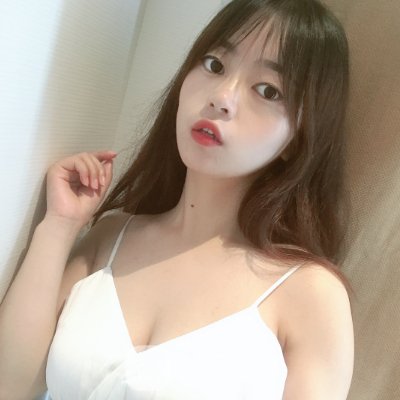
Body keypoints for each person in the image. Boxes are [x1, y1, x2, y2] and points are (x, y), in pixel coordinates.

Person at [0, 0, 354, 398]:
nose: (222, 97)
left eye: (268, 90)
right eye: (215, 65)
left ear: (298, 138)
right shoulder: (110, 238)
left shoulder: (311, 295)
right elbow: (11, 385)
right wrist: (59, 226)